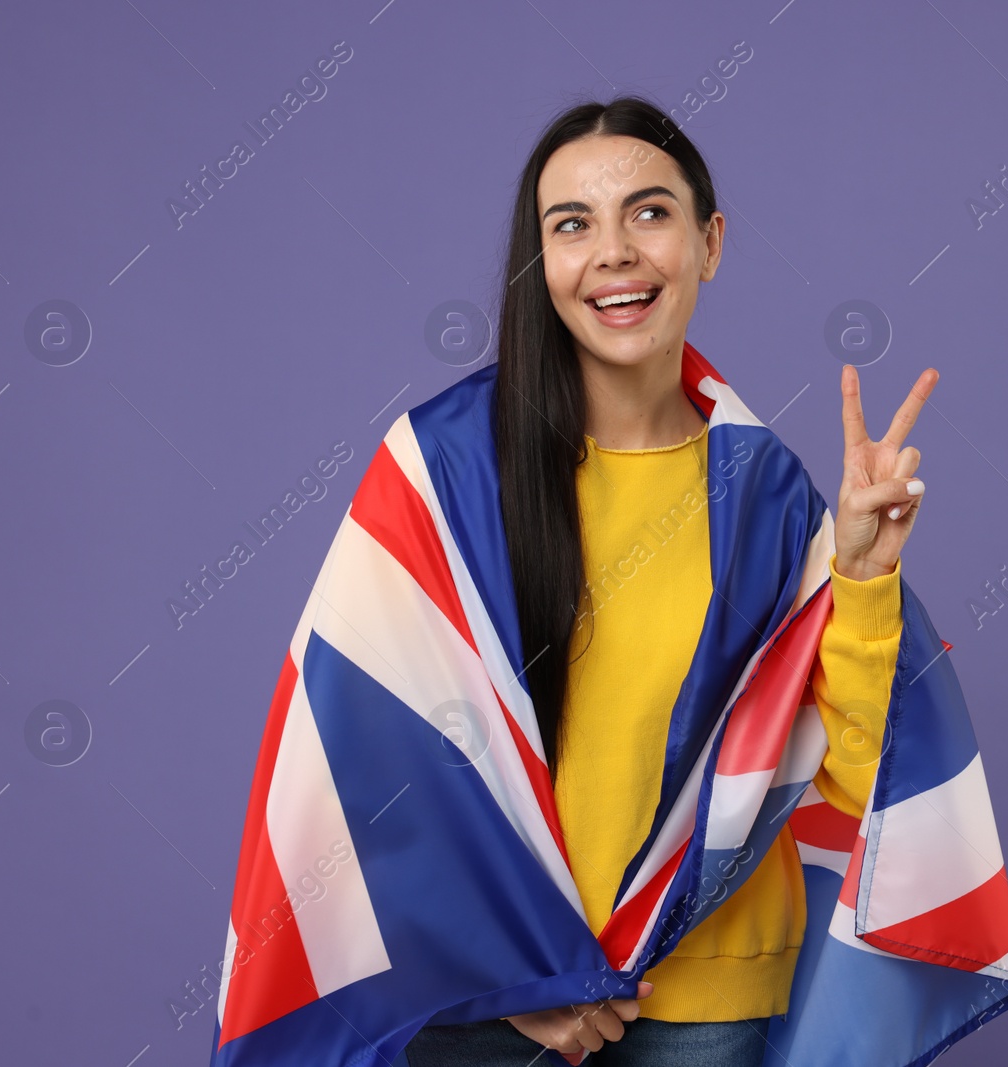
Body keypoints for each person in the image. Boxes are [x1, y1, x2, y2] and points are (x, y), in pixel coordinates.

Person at [401, 95, 938, 1067]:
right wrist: (510, 971)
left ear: (709, 241)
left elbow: (863, 783)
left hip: (704, 1001)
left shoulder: (766, 496)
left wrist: (861, 575)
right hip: (491, 998)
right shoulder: (443, 470)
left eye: (648, 212)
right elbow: (372, 753)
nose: (613, 251)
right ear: (541, 260)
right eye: (572, 223)